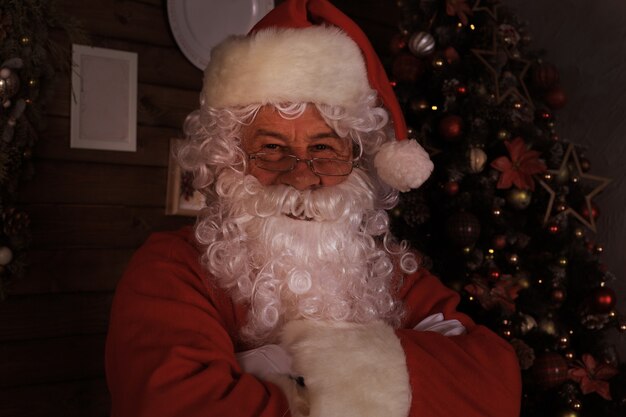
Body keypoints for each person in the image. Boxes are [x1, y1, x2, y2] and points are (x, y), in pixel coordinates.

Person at [105, 0, 521, 416]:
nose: (301, 177)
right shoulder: (170, 269)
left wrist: (277, 376)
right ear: (229, 159)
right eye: (271, 148)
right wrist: (394, 383)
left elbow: (490, 385)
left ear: (357, 160)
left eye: (323, 148)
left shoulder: (388, 272)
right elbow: (178, 405)